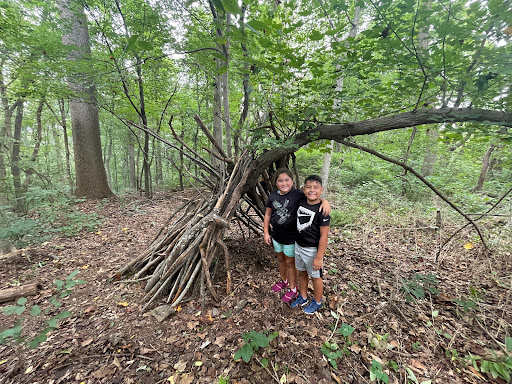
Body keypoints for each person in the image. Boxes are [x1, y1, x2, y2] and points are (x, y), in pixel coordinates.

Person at [263, 169, 330, 304]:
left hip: (292, 238)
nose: (284, 183)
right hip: (276, 235)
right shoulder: (272, 197)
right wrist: (266, 232)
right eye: (280, 180)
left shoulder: (298, 195)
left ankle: (293, 288)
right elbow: (268, 214)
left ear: (292, 182)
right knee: (281, 259)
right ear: (275, 183)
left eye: (287, 180)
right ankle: (284, 280)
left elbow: (314, 196)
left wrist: (325, 201)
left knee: (290, 262)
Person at [291, 175, 330, 314]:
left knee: (315, 276)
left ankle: (317, 302)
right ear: (303, 189)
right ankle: (303, 296)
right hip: (299, 245)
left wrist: (319, 257)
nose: (312, 190)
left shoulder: (323, 211)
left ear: (321, 190)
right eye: (308, 187)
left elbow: (324, 235)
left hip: (312, 250)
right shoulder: (301, 200)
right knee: (302, 273)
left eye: (316, 187)